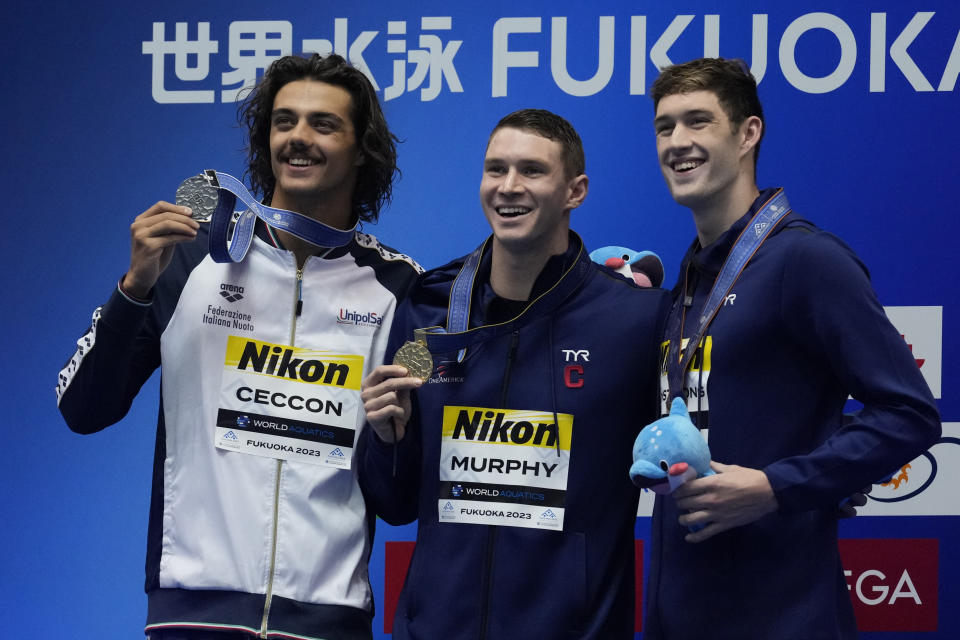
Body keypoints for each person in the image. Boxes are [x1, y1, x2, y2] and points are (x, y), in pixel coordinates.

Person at [56, 53, 421, 640]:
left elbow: (400, 501)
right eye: (284, 122)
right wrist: (133, 288)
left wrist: (393, 435)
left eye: (323, 124)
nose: (298, 138)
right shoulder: (185, 257)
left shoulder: (401, 288)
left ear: (362, 150)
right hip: (192, 615)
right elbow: (83, 409)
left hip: (327, 621)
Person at [643, 57, 941, 639]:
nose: (677, 142)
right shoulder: (686, 284)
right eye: (665, 126)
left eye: (698, 121)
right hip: (680, 609)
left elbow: (909, 413)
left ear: (748, 133)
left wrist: (778, 486)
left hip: (781, 612)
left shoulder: (806, 260)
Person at [357, 109, 669, 639]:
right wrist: (388, 440)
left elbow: (693, 448)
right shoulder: (431, 307)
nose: (508, 187)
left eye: (531, 170)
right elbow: (394, 504)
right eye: (495, 169)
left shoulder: (635, 320)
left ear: (576, 191)